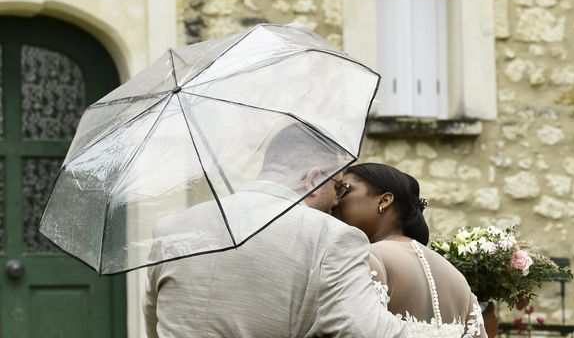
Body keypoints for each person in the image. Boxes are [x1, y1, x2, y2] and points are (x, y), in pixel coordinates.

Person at [143, 124, 411, 338]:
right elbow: (365, 331)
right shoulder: (330, 237)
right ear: (313, 178)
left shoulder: (171, 229)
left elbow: (154, 323)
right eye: (337, 186)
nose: (337, 201)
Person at [334, 162, 488, 338]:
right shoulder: (457, 278)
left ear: (384, 200)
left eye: (342, 190)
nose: (334, 201)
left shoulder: (368, 257)